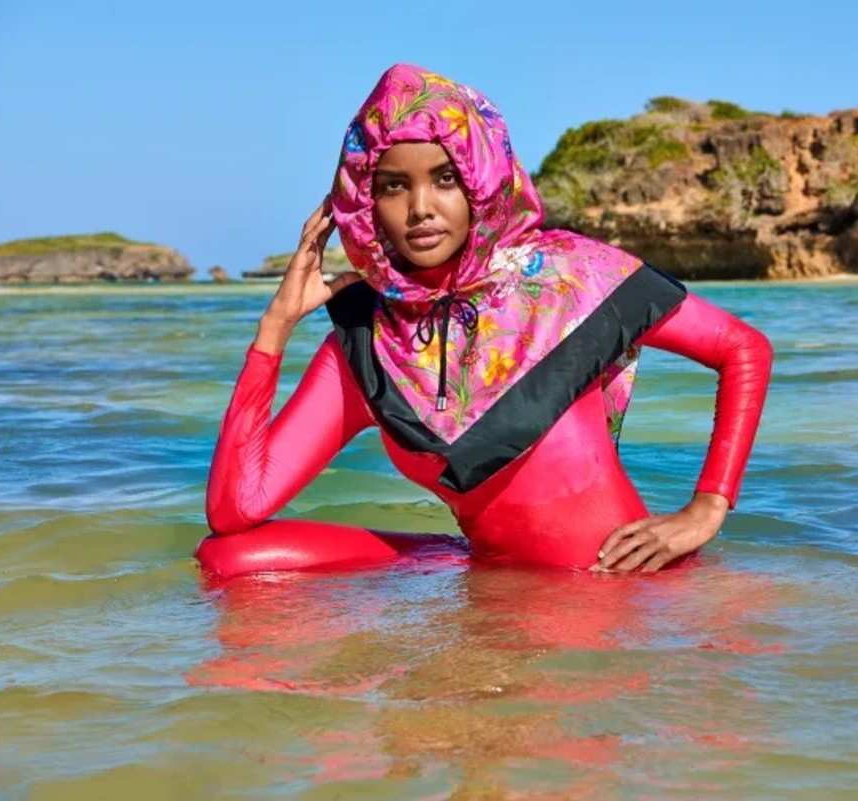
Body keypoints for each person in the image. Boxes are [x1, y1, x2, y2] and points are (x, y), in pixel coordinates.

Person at [197, 64, 772, 579]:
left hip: (622, 588)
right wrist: (274, 329)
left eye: (445, 179)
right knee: (226, 561)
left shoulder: (567, 277)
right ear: (366, 204)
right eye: (395, 186)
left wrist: (706, 509)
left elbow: (742, 349)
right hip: (496, 582)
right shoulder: (366, 346)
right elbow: (236, 509)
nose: (421, 207)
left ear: (480, 181)